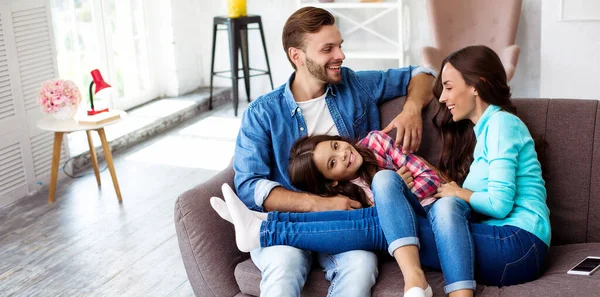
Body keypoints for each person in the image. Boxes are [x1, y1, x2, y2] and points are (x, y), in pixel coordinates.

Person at [224, 45, 551, 297]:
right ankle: (268, 228)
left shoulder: (502, 126)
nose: (443, 97)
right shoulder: (488, 129)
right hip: (505, 241)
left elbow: (499, 205)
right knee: (386, 201)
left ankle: (268, 230)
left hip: (517, 245)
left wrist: (455, 191)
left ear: (476, 86)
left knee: (384, 219)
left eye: (449, 87)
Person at [233, 6, 435, 297]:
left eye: (339, 45)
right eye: (328, 48)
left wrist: (412, 109)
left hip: (348, 226)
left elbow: (422, 73)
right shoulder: (263, 113)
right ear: (297, 56)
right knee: (284, 263)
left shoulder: (353, 84)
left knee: (362, 265)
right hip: (289, 226)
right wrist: (318, 204)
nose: (340, 55)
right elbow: (249, 186)